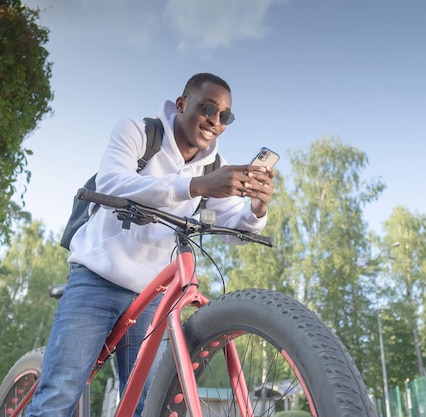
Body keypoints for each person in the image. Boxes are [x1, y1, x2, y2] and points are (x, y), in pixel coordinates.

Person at [27, 73, 275, 417]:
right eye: (207, 107)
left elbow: (236, 230)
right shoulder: (138, 132)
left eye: (225, 116)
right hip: (97, 278)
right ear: (182, 104)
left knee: (149, 406)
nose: (215, 121)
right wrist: (197, 185)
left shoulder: (214, 166)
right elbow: (113, 182)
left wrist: (257, 206)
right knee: (59, 394)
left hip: (152, 299)